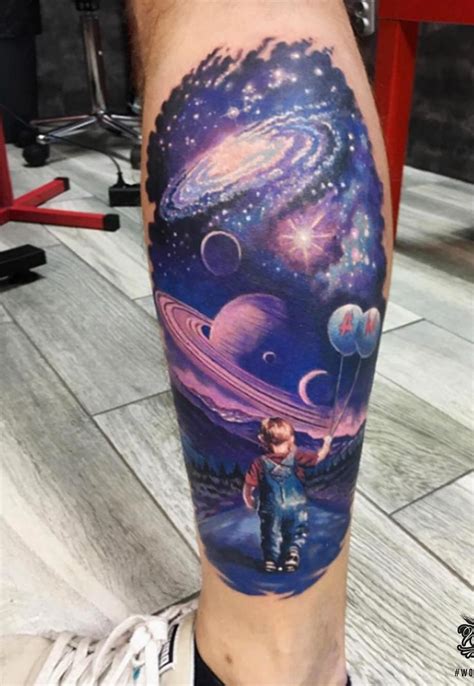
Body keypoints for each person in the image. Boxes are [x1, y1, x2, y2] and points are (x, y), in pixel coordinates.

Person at [0, 1, 392, 684]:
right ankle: (286, 662)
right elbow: (274, 465)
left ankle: (262, 667)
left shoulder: (288, 450)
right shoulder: (275, 454)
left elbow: (302, 452)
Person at [243, 417, 332, 573]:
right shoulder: (297, 457)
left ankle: (271, 560)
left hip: (271, 506)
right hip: (296, 504)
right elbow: (318, 458)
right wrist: (326, 444)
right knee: (296, 529)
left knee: (271, 531)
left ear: (262, 439)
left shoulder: (259, 463)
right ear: (291, 439)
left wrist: (249, 499)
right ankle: (292, 554)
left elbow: (249, 485)